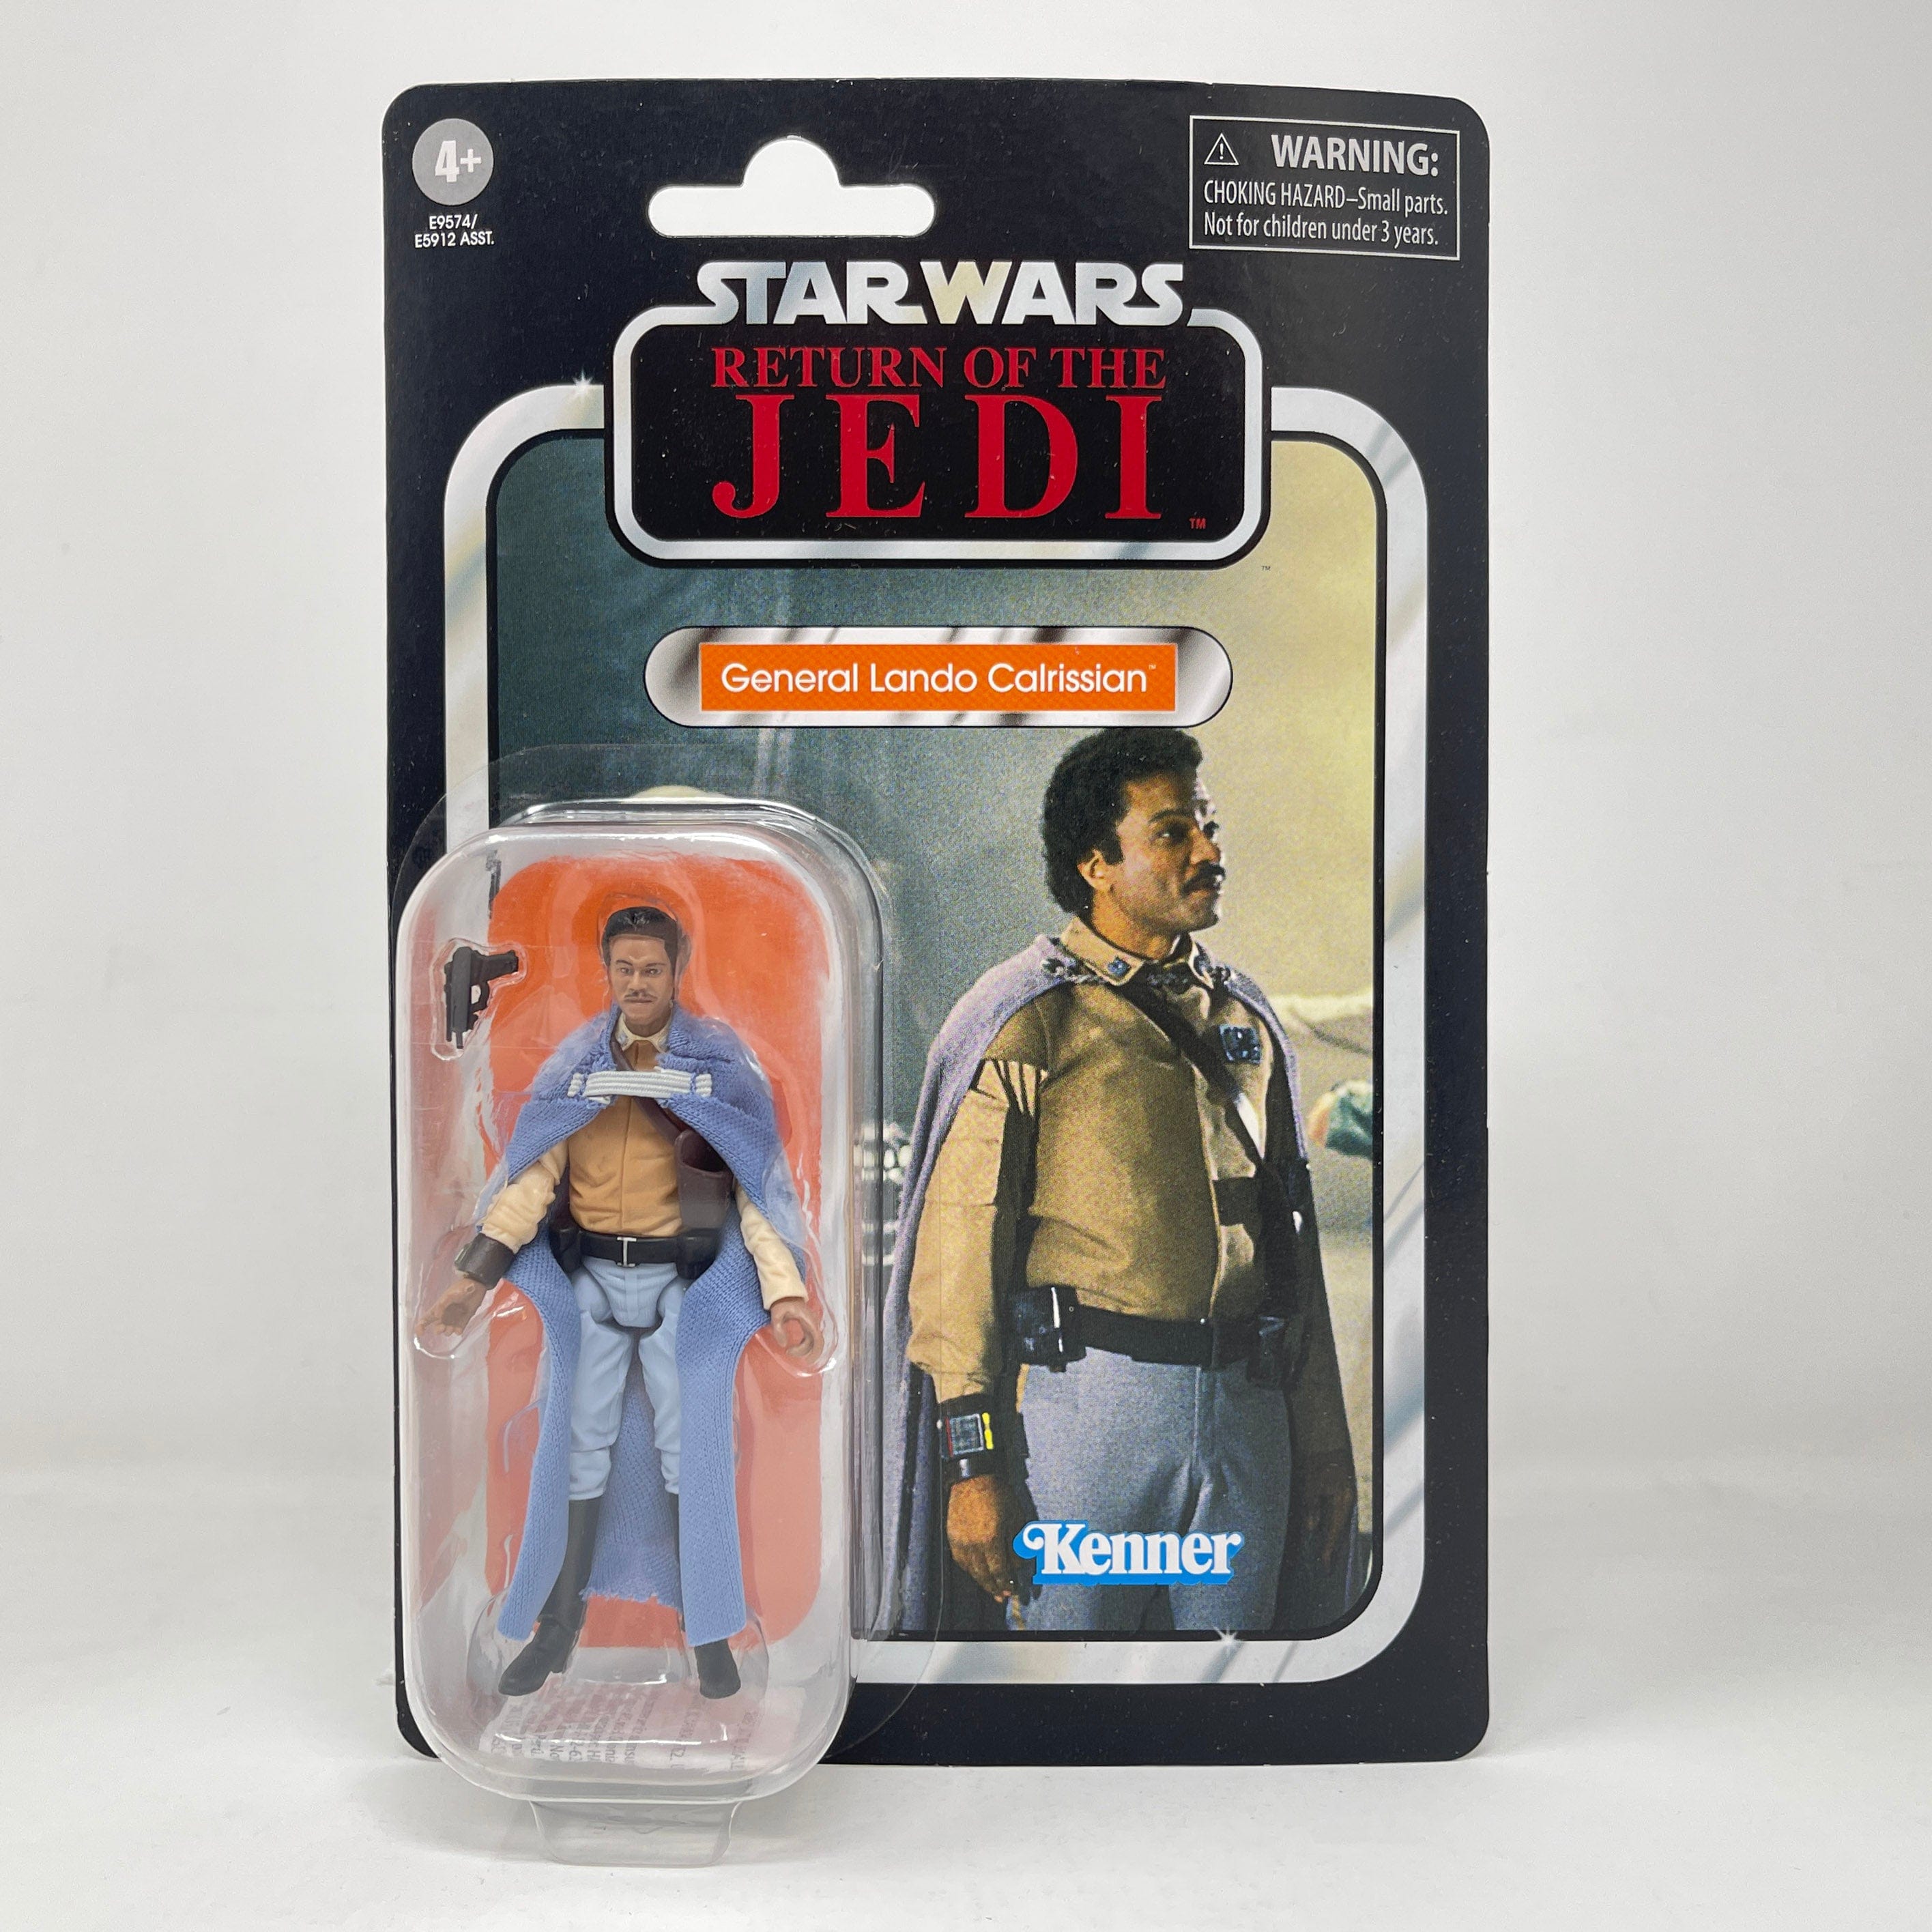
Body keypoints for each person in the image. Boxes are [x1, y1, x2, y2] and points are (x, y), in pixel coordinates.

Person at [886, 729, 1357, 1635]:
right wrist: (972, 1468)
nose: (1207, 851)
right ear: (1095, 862)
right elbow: (958, 1255)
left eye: (1208, 826)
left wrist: (1325, 1442)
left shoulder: (1244, 1016)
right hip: (1085, 1417)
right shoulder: (1029, 1018)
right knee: (1065, 1678)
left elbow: (1292, 1255)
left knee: (1233, 1680)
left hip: (1248, 1409)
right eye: (1172, 831)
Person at [421, 904, 822, 1698]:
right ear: (606, 971)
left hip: (682, 1285)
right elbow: (529, 1182)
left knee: (692, 1449)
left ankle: (707, 1627)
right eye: (625, 968)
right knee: (573, 1446)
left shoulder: (716, 1069)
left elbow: (756, 1196)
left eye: (652, 968)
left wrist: (785, 1295)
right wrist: (469, 1285)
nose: (638, 983)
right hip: (592, 1280)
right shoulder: (576, 1070)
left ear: (677, 969)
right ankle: (556, 1626)